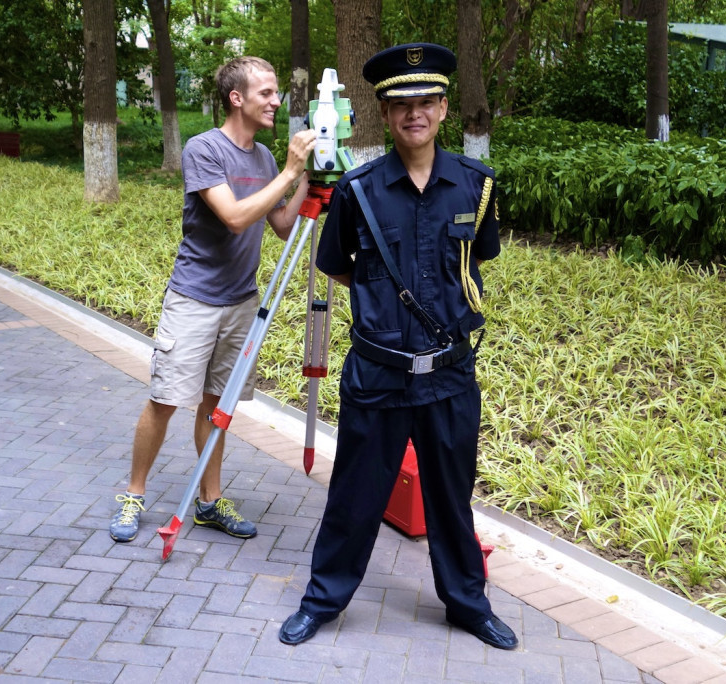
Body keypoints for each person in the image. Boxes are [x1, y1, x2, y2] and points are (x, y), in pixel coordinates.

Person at [278, 43, 518, 651]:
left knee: (451, 499)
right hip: (378, 374)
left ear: (443, 109)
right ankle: (322, 600)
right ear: (384, 115)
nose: (415, 112)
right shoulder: (357, 191)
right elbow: (337, 265)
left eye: (426, 101)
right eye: (400, 103)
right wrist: (386, 314)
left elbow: (478, 257)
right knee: (354, 497)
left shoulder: (476, 185)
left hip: (450, 376)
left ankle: (467, 604)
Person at [110, 56, 317, 543]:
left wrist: (309, 174)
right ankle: (134, 495)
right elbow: (235, 218)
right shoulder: (205, 149)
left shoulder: (265, 158)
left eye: (276, 91)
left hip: (241, 301)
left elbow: (282, 225)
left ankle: (209, 502)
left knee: (216, 406)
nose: (276, 100)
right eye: (266, 92)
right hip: (194, 300)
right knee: (165, 401)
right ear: (237, 98)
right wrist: (289, 173)